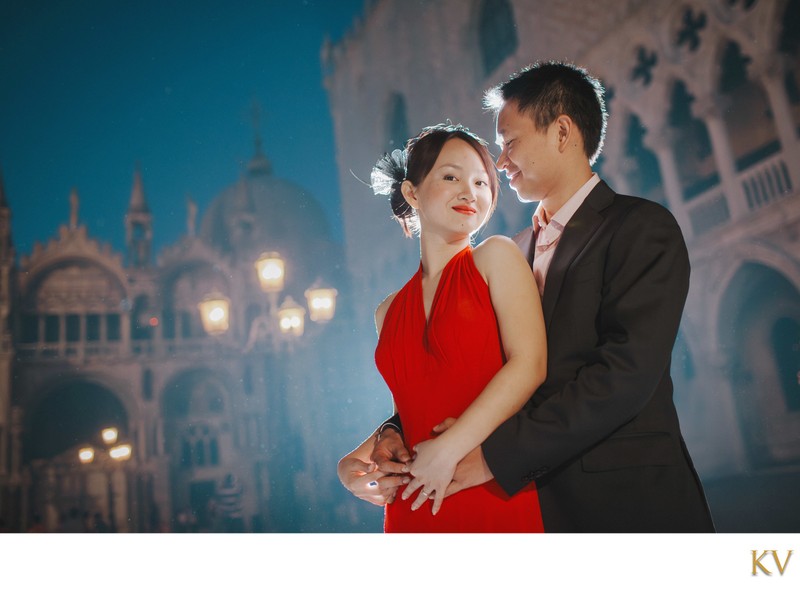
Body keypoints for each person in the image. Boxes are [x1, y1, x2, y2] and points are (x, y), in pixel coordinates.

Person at [343, 62, 715, 533]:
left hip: (622, 502)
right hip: (529, 505)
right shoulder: (510, 253)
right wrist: (392, 432)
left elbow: (623, 376)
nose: (500, 163)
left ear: (562, 132)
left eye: (509, 142)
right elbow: (466, 374)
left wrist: (492, 458)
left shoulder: (640, 228)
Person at [337, 123, 547, 532]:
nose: (470, 192)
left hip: (489, 489)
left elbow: (530, 365)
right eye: (450, 176)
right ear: (412, 193)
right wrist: (353, 463)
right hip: (412, 504)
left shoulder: (496, 258)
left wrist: (449, 449)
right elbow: (412, 410)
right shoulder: (387, 311)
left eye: (482, 182)